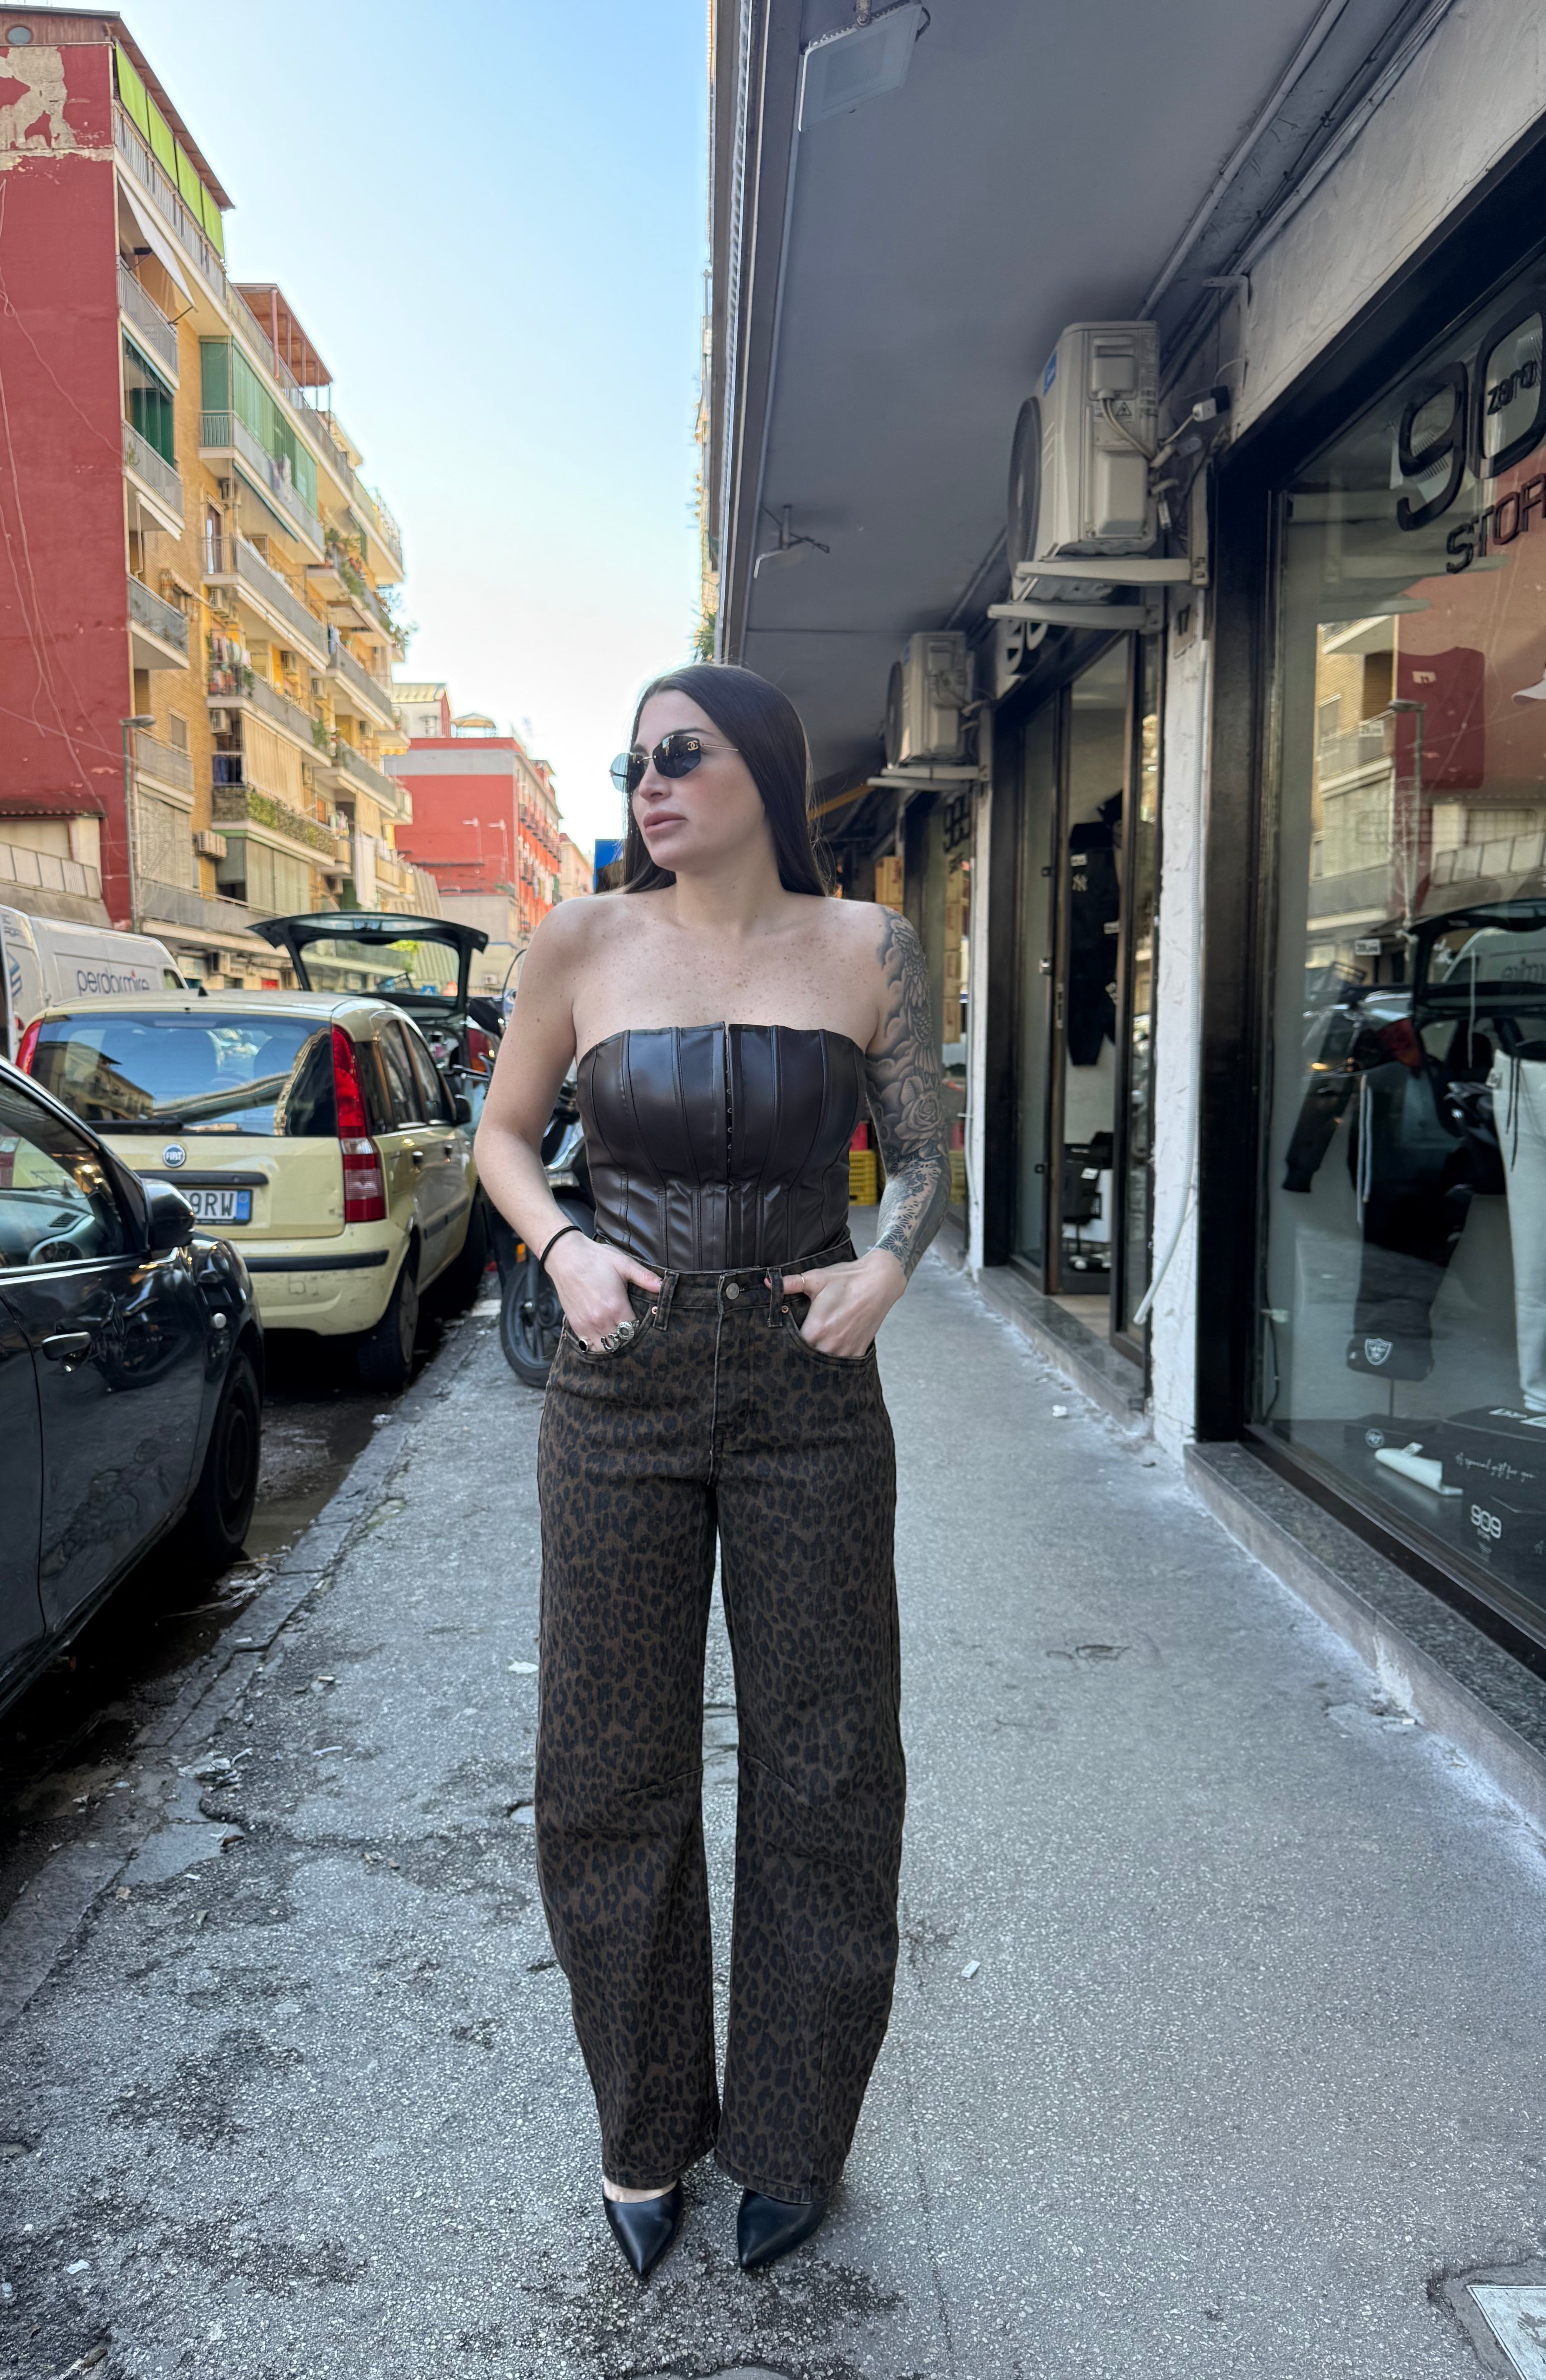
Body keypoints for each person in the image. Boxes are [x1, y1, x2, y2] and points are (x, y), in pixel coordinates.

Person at [474, 663, 949, 2278]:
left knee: (830, 1772)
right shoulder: (580, 941)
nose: (649, 785)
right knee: (607, 1771)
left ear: (765, 765)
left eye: (681, 754)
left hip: (812, 1388)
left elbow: (928, 1154)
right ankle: (644, 2131)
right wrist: (563, 1251)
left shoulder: (871, 946)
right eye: (632, 763)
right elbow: (503, 1136)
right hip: (624, 1381)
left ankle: (792, 2138)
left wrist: (888, 1266)